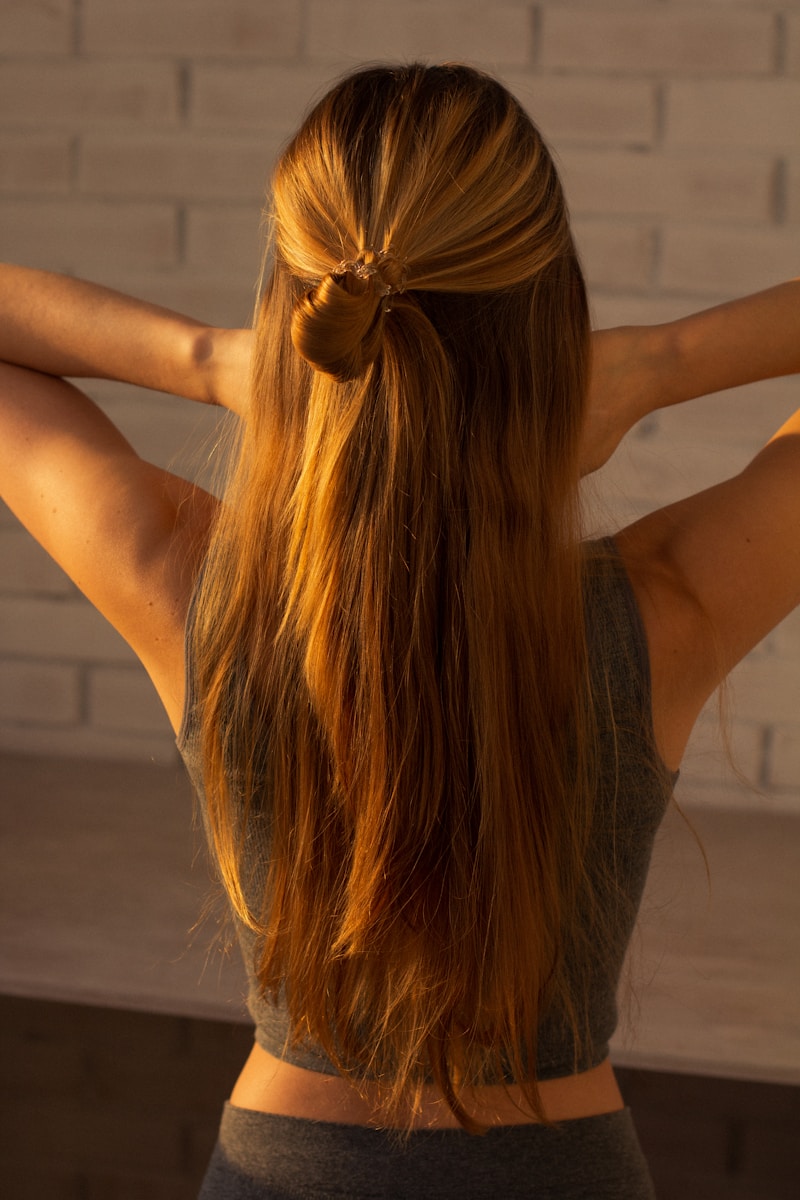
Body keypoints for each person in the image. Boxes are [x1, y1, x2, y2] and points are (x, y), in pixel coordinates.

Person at [1, 63, 798, 1199]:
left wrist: (217, 363)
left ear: (300, 305)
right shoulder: (667, 605)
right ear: (550, 321)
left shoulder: (193, 586)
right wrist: (653, 365)